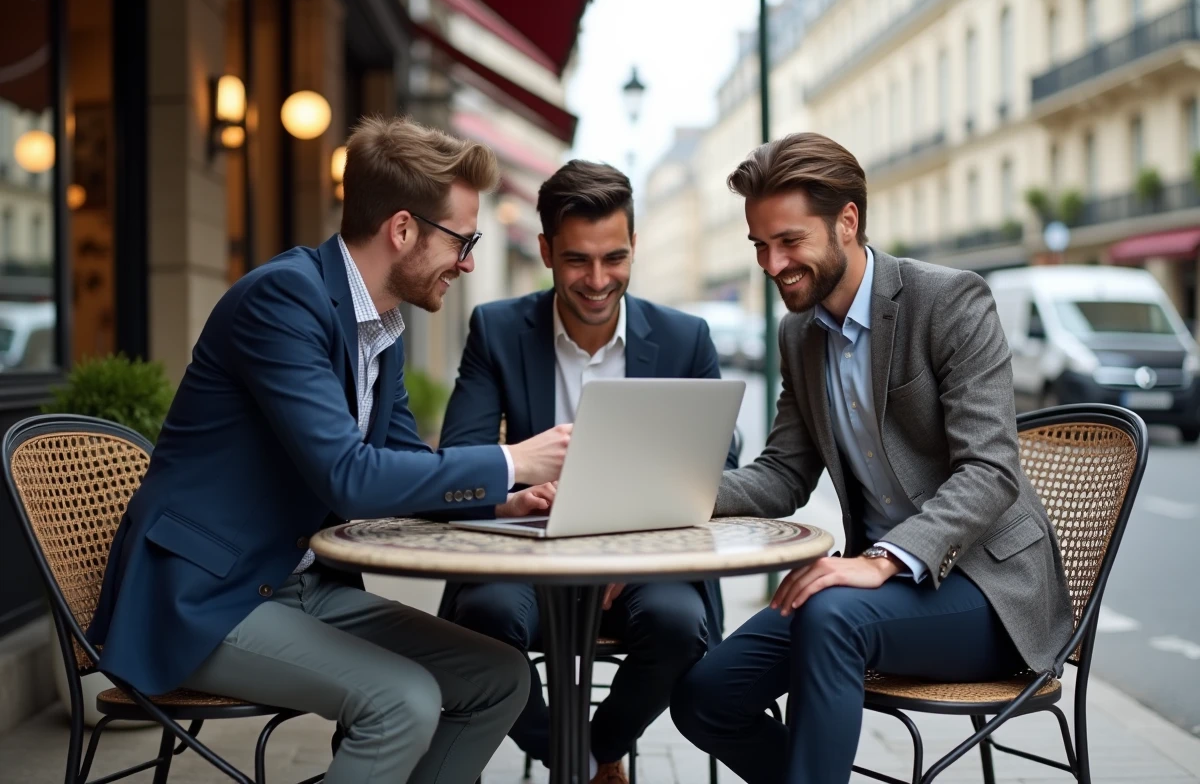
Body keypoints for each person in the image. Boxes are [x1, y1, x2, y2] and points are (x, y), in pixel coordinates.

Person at [86, 115, 574, 784]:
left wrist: (505, 500)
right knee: (401, 701)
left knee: (499, 675)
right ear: (402, 230)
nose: (466, 262)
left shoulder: (382, 328)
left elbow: (404, 465)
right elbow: (350, 477)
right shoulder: (282, 300)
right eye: (463, 240)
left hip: (300, 584)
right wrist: (513, 459)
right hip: (205, 598)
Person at [669, 132, 1074, 784]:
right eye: (759, 246)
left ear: (847, 221)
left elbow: (990, 470)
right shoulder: (798, 333)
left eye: (789, 241)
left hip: (990, 592)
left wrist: (881, 561)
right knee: (706, 697)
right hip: (872, 598)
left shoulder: (948, 301)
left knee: (830, 614)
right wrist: (668, 491)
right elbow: (782, 475)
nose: (772, 264)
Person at [433, 160, 739, 784]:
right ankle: (575, 756)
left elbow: (715, 470)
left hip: (642, 569)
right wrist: (517, 490)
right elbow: (460, 458)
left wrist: (629, 543)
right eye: (577, 260)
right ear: (545, 250)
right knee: (483, 623)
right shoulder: (496, 330)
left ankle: (602, 744)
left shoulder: (686, 339)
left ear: (633, 248)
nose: (599, 280)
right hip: (523, 565)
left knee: (681, 624)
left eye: (614, 258)